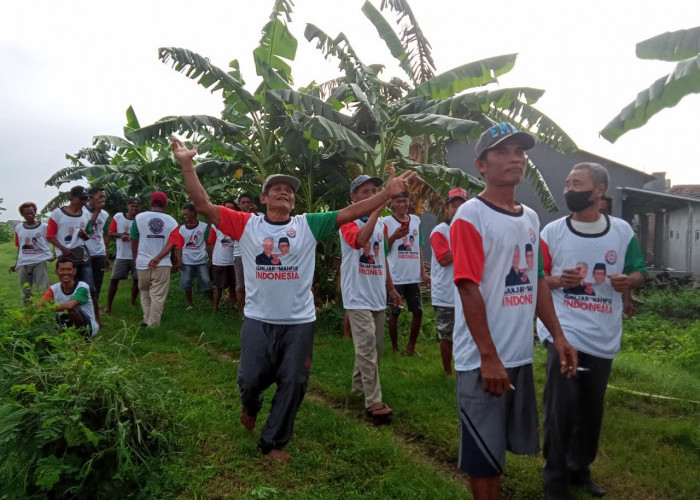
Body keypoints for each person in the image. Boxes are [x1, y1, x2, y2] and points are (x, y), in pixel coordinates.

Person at [171, 136, 416, 463]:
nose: (284, 192)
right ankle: (250, 404)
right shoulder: (247, 225)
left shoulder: (308, 225)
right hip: (258, 319)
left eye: (289, 190)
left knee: (295, 381)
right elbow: (203, 206)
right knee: (249, 378)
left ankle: (273, 441)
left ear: (294, 202)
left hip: (300, 322)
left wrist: (386, 195)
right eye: (276, 188)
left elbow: (348, 213)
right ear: (263, 198)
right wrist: (187, 163)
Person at [449, 122, 577, 500]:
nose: (515, 158)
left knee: (499, 448)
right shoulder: (470, 216)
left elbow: (536, 281)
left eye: (520, 151)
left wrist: (558, 334)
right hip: (482, 359)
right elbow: (468, 286)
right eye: (503, 151)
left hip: (518, 355)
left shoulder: (530, 217)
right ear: (481, 165)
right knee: (483, 455)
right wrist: (488, 356)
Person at [538, 162, 647, 500]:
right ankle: (554, 479)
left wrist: (629, 282)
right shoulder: (552, 232)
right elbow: (537, 278)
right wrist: (559, 280)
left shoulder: (621, 232)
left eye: (577, 183)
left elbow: (638, 271)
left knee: (590, 407)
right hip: (563, 329)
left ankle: (579, 468)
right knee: (563, 405)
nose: (570, 189)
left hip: (603, 332)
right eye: (568, 183)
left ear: (599, 190)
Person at [340, 175, 403, 421]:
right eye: (365, 192)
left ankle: (357, 389)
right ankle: (373, 401)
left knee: (373, 348)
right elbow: (360, 240)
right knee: (367, 347)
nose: (370, 194)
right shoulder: (347, 219)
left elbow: (382, 258)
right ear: (354, 197)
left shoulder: (382, 226)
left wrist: (391, 288)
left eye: (374, 190)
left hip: (376, 295)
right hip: (356, 295)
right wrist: (376, 210)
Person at [384, 191, 430, 355]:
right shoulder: (386, 222)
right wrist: (394, 237)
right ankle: (395, 348)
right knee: (394, 313)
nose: (402, 205)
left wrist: (423, 273)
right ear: (392, 203)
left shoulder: (416, 221)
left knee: (418, 311)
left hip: (413, 277)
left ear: (409, 202)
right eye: (399, 201)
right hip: (396, 276)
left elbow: (419, 247)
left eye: (405, 201)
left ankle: (411, 347)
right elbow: (384, 249)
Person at [429, 187, 468, 376]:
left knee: (467, 334)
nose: (458, 209)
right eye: (454, 205)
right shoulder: (440, 231)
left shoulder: (471, 230)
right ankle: (447, 371)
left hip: (467, 292)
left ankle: (465, 367)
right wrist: (467, 246)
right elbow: (443, 258)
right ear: (446, 208)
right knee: (447, 335)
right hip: (446, 293)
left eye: (463, 205)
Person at [130, 191, 180, 328]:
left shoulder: (139, 218)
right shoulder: (172, 222)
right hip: (162, 264)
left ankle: (146, 320)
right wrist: (158, 257)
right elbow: (172, 242)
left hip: (142, 263)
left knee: (145, 292)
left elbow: (133, 239)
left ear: (151, 203)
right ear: (166, 204)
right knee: (158, 295)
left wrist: (135, 257)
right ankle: (153, 326)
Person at [46, 185, 95, 295]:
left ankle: (91, 311)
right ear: (71, 197)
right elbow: (50, 235)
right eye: (81, 198)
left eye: (85, 199)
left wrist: (84, 236)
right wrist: (63, 249)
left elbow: (89, 234)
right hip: (66, 257)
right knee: (70, 287)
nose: (83, 202)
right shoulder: (58, 213)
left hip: (83, 255)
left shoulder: (86, 214)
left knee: (89, 286)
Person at [41, 256, 99, 337]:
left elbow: (70, 305)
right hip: (64, 323)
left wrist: (48, 308)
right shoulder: (53, 288)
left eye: (68, 269)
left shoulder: (83, 286)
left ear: (74, 271)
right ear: (57, 272)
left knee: (71, 311)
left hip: (87, 326)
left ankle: (82, 337)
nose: (65, 272)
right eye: (62, 269)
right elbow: (40, 304)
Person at [173, 203, 215, 310]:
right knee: (186, 282)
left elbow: (208, 243)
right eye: (184, 214)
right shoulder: (182, 229)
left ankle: (213, 302)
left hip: (201, 260)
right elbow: (179, 246)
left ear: (193, 213)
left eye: (186, 214)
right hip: (187, 260)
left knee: (206, 280)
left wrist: (210, 259)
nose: (184, 216)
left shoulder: (204, 227)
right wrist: (179, 260)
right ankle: (190, 304)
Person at [10, 202, 53, 304]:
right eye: (26, 213)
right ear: (22, 215)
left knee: (43, 289)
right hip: (23, 263)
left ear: (35, 213)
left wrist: (54, 254)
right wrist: (16, 263)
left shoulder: (44, 227)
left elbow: (53, 239)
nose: (29, 215)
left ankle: (46, 312)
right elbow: (20, 246)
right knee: (26, 292)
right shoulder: (19, 227)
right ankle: (29, 314)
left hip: (39, 261)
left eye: (31, 212)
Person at [105, 197, 140, 313]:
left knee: (137, 280)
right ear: (127, 206)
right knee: (114, 280)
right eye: (132, 206)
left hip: (136, 255)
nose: (134, 208)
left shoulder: (140, 219)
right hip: (121, 255)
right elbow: (110, 233)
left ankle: (132, 303)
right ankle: (108, 306)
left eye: (137, 206)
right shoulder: (118, 217)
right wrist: (121, 235)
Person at [84, 187, 110, 324]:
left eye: (104, 197)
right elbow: (87, 229)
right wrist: (97, 212)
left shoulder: (105, 215)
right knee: (84, 284)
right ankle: (81, 312)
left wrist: (106, 255)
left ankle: (94, 314)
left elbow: (104, 235)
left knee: (96, 286)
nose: (102, 200)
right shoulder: (82, 211)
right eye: (100, 196)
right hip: (85, 252)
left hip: (98, 253)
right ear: (90, 198)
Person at [233, 193, 256, 311]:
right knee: (240, 285)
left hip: (255, 256)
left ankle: (255, 309)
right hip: (240, 255)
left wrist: (254, 214)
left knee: (256, 284)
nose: (246, 205)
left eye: (248, 202)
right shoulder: (236, 217)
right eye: (243, 202)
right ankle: (242, 312)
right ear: (239, 205)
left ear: (252, 204)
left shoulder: (259, 216)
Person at [211, 222, 237, 312]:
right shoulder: (215, 225)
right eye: (228, 207)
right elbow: (211, 242)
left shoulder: (236, 223)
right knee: (218, 286)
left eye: (232, 207)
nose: (230, 209)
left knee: (233, 286)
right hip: (220, 261)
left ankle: (232, 307)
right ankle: (215, 308)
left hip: (234, 260)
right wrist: (211, 260)